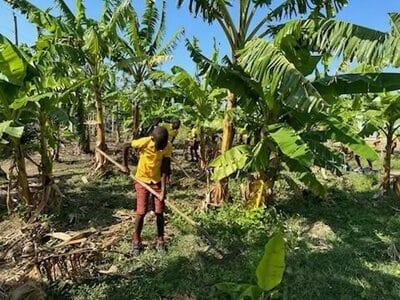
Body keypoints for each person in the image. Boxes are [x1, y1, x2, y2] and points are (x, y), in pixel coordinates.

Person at [122, 126, 172, 255]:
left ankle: (160, 240)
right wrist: (125, 165)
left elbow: (165, 169)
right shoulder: (145, 142)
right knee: (141, 212)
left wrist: (163, 191)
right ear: (153, 140)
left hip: (157, 182)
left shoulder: (167, 146)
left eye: (163, 146)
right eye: (159, 146)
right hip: (141, 180)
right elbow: (126, 146)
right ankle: (136, 241)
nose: (161, 148)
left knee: (160, 212)